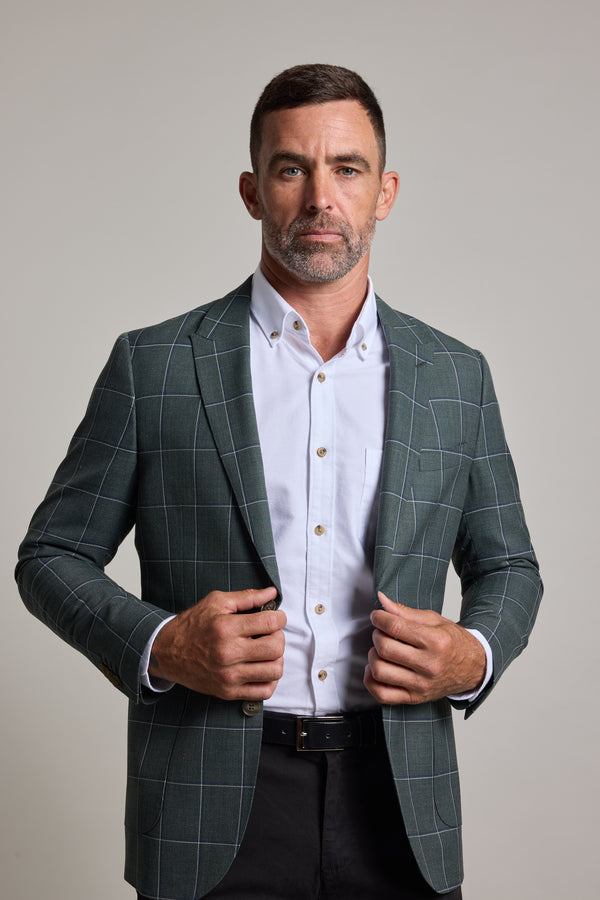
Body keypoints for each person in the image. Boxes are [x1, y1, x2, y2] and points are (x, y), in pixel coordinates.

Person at [16, 64, 542, 900]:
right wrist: (162, 644)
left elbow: (509, 566)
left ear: (385, 192)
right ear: (252, 191)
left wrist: (471, 655)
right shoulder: (154, 367)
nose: (321, 198)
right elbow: (50, 556)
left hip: (402, 804)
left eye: (348, 168)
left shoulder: (456, 376)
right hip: (209, 805)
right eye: (292, 168)